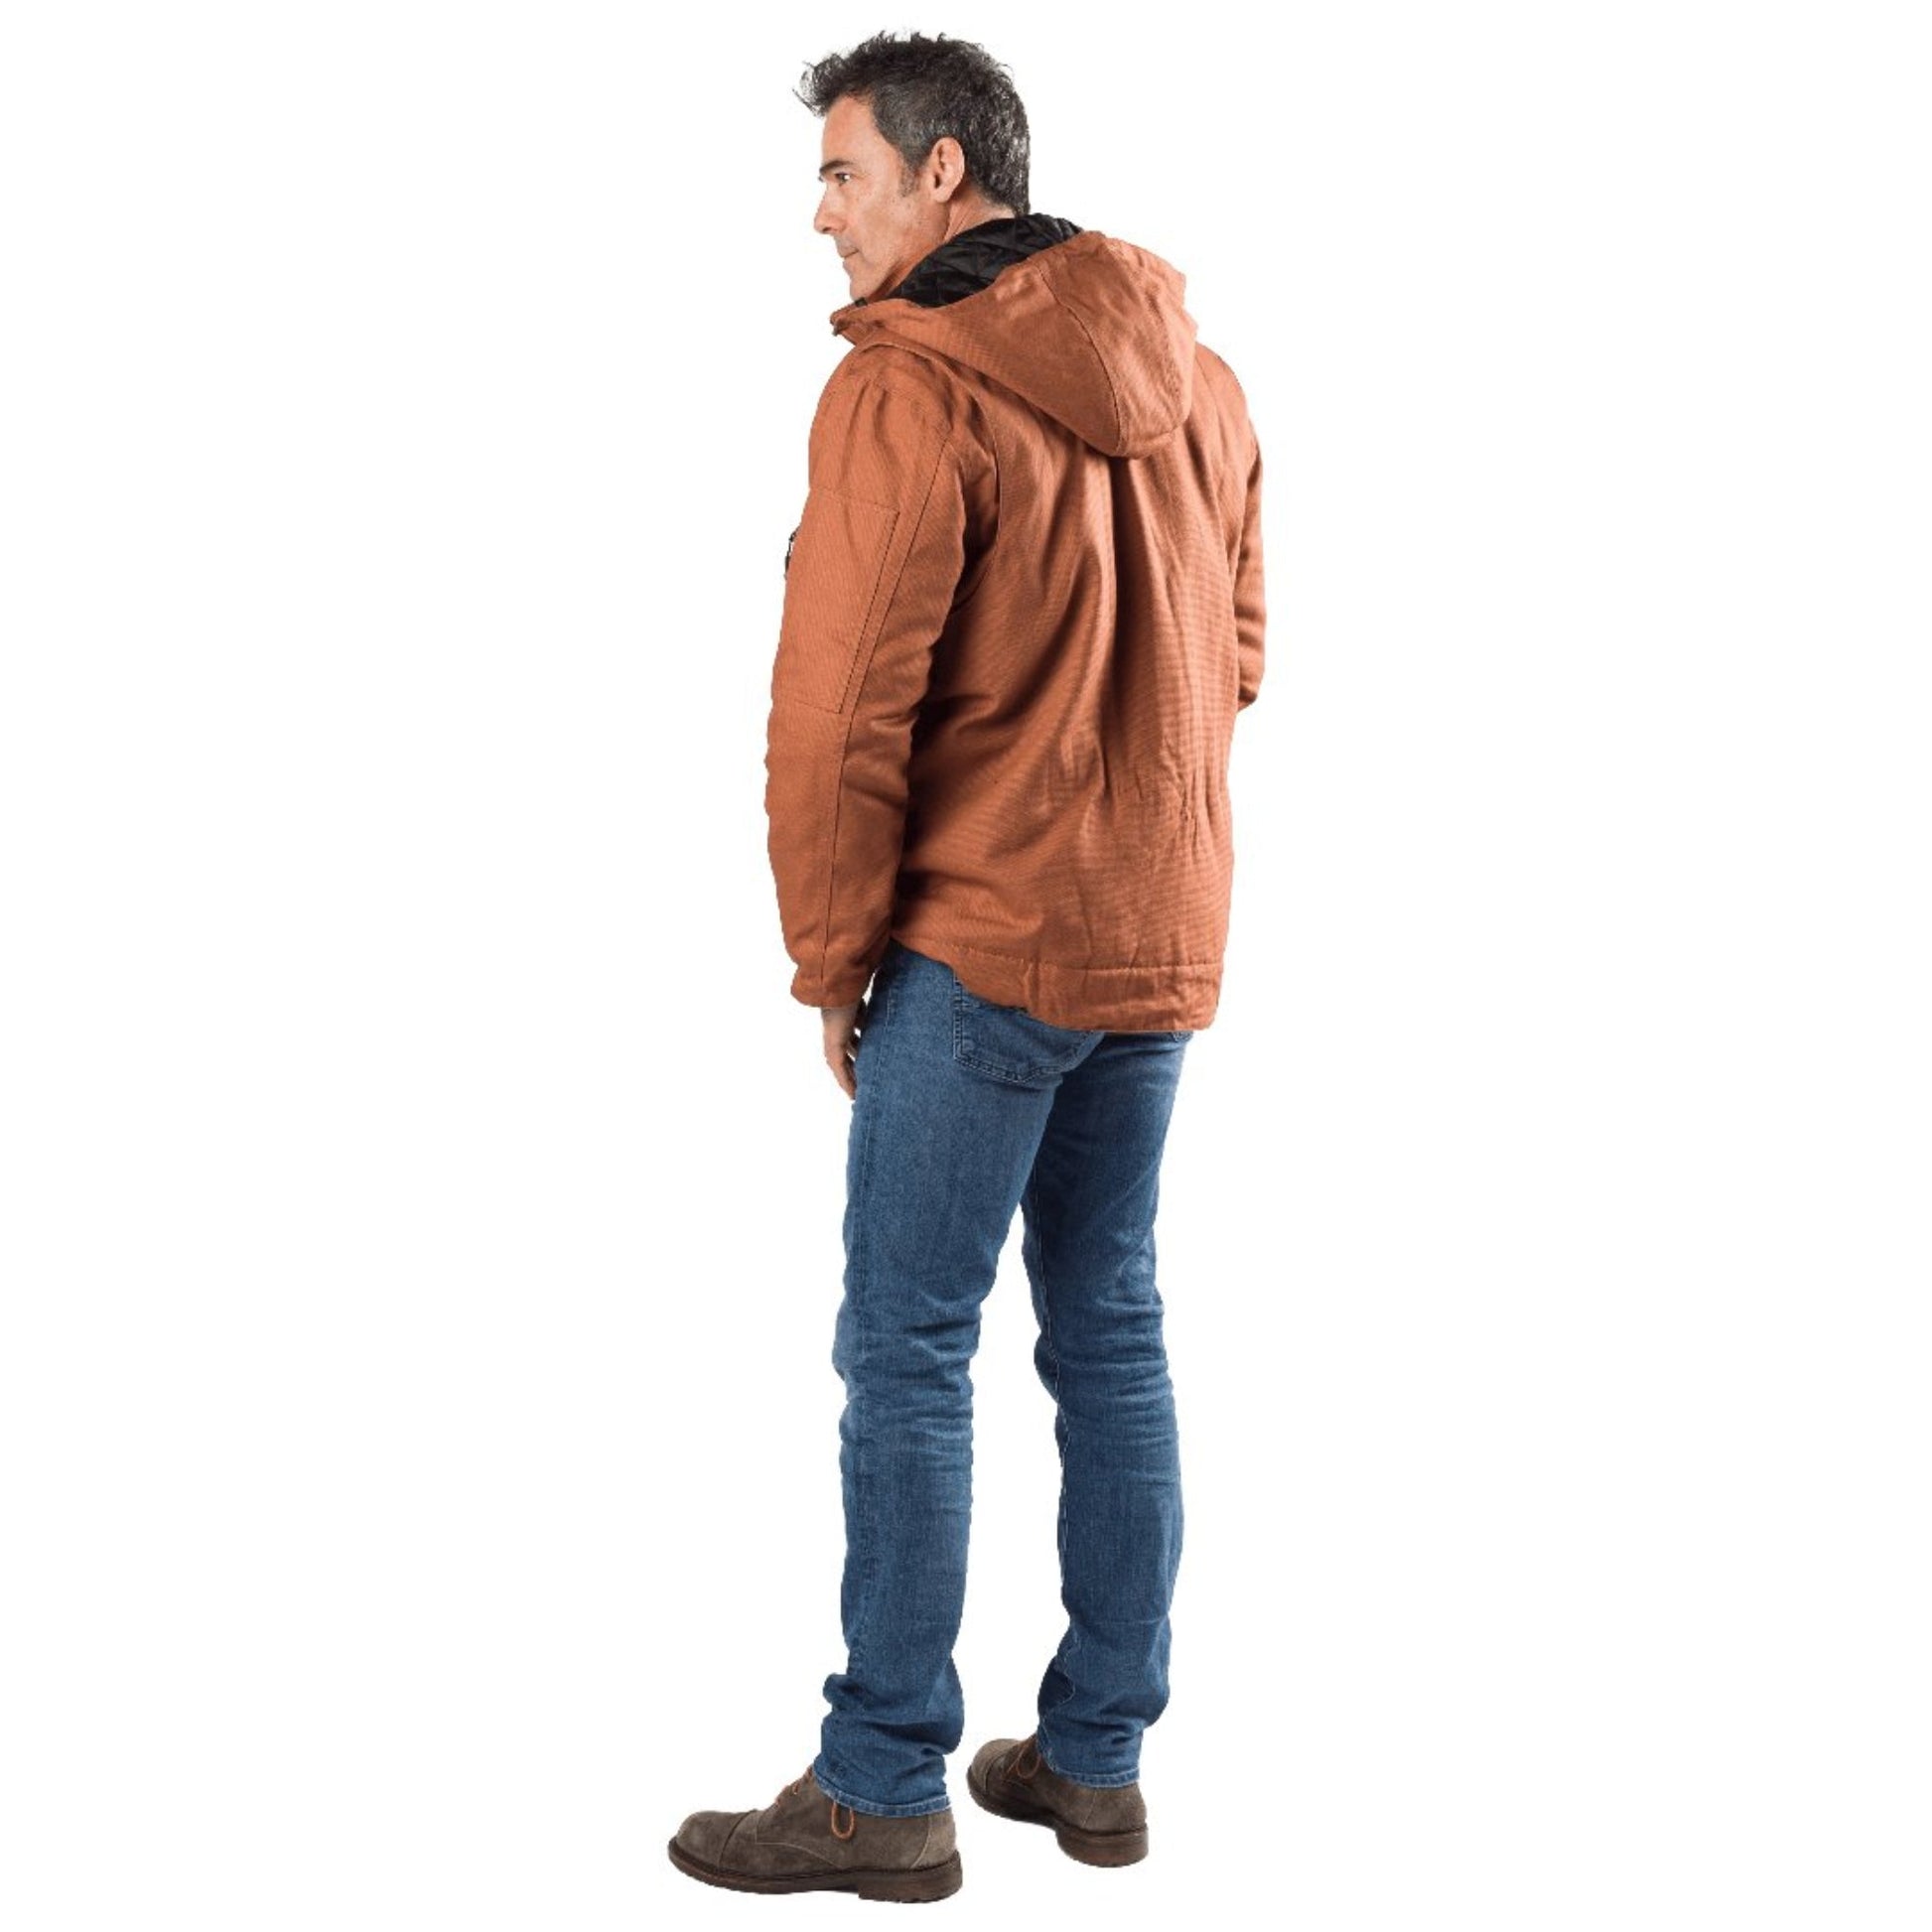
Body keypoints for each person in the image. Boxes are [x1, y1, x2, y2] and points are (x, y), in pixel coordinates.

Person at [668, 29, 1265, 1903]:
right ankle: (1094, 1760)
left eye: (841, 173)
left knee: (909, 1349)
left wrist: (833, 957)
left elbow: (838, 711)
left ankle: (881, 1785)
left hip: (984, 941)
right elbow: (1237, 647)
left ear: (943, 173)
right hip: (1154, 934)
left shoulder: (906, 389)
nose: (819, 215)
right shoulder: (1202, 380)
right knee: (1109, 1328)